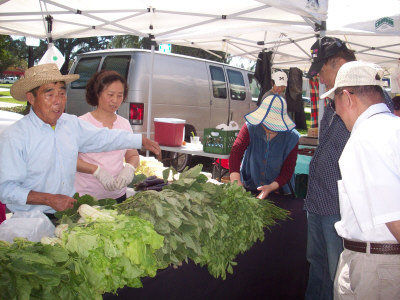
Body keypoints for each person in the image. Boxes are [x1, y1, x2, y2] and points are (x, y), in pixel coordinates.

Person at [0, 63, 160, 215]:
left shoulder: (70, 124)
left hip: (67, 213)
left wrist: (139, 140)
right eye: (49, 94)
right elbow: (6, 189)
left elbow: (103, 138)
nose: (58, 101)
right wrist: (49, 199)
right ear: (31, 98)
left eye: (62, 94)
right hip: (30, 220)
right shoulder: (15, 136)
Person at [304, 37, 394, 300]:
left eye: (322, 70)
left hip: (342, 212)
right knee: (318, 269)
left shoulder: (370, 105)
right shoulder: (335, 100)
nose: (320, 78)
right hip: (319, 203)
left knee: (336, 275)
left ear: (341, 64)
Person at [321, 61, 400, 299]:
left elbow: (394, 216)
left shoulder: (367, 137)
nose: (335, 110)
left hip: (377, 267)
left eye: (333, 101)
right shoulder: (393, 127)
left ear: (347, 97)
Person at [74, 70, 139, 203]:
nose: (115, 100)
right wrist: (96, 171)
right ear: (97, 93)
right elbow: (69, 159)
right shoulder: (81, 123)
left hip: (117, 196)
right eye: (110, 95)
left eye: (120, 96)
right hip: (86, 197)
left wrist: (130, 168)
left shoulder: (124, 124)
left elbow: (132, 155)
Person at [229, 93, 300, 199]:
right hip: (250, 186)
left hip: (279, 191)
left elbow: (287, 170)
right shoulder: (250, 128)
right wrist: (236, 182)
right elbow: (236, 151)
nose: (269, 130)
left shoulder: (292, 137)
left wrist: (270, 187)